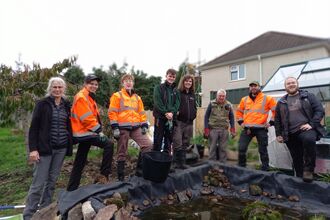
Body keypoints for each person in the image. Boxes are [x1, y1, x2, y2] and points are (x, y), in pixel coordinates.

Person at [23, 77, 73, 220]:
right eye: (54, 87)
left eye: (60, 87)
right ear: (50, 89)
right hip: (45, 149)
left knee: (51, 182)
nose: (57, 90)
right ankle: (28, 215)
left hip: (61, 149)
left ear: (64, 89)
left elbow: (70, 125)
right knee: (38, 184)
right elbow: (34, 128)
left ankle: (45, 212)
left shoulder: (67, 105)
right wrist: (33, 149)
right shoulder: (42, 104)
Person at [67, 74, 114, 191]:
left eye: (96, 84)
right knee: (109, 144)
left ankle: (72, 188)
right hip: (85, 133)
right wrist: (99, 131)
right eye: (91, 84)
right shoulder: (82, 97)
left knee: (80, 160)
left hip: (86, 133)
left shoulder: (89, 97)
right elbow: (87, 118)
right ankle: (104, 176)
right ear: (85, 84)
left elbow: (92, 117)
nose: (94, 86)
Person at [275, 77, 326, 182]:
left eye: (293, 82)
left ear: (297, 84)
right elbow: (277, 119)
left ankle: (308, 170)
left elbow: (319, 110)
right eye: (288, 83)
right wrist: (278, 134)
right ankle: (299, 176)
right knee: (296, 156)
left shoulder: (308, 96)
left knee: (309, 140)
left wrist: (311, 124)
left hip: (305, 129)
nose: (291, 84)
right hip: (289, 133)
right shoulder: (281, 102)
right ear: (285, 87)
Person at [108, 74, 152, 180]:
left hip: (136, 127)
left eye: (130, 81)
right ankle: (121, 177)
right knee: (122, 151)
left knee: (148, 145)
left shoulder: (137, 98)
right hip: (122, 127)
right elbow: (112, 112)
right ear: (122, 83)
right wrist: (115, 127)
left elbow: (142, 113)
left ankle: (140, 170)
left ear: (133, 83)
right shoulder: (117, 96)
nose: (128, 82)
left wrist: (144, 124)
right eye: (126, 81)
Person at [236, 81, 276, 171]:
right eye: (251, 86)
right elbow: (239, 112)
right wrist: (241, 122)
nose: (253, 87)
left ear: (259, 87)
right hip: (248, 129)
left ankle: (265, 169)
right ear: (249, 88)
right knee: (241, 148)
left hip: (261, 129)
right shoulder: (244, 99)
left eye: (255, 86)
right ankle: (241, 167)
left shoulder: (267, 98)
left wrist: (271, 122)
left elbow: (276, 111)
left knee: (263, 150)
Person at [172, 74, 197, 169]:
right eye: (186, 81)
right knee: (177, 142)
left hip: (189, 122)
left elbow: (194, 107)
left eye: (190, 81)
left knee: (185, 143)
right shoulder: (177, 92)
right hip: (179, 122)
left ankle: (182, 163)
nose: (188, 83)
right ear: (183, 82)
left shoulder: (192, 94)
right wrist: (175, 113)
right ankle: (174, 163)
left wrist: (193, 115)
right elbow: (172, 105)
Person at [204, 89, 236, 163]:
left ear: (225, 96)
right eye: (220, 96)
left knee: (223, 148)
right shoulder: (211, 103)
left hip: (224, 129)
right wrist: (206, 129)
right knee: (212, 147)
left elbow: (231, 117)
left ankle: (223, 164)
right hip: (213, 129)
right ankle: (211, 164)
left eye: (223, 96)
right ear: (217, 96)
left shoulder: (228, 104)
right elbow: (206, 116)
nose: (221, 97)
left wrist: (233, 129)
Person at [153, 69, 180, 154]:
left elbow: (177, 103)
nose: (171, 78)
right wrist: (165, 113)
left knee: (168, 140)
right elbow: (158, 102)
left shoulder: (176, 90)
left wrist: (172, 112)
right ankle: (156, 158)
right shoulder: (159, 88)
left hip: (171, 119)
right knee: (158, 139)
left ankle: (166, 158)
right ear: (166, 76)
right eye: (170, 76)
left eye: (173, 77)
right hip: (160, 118)